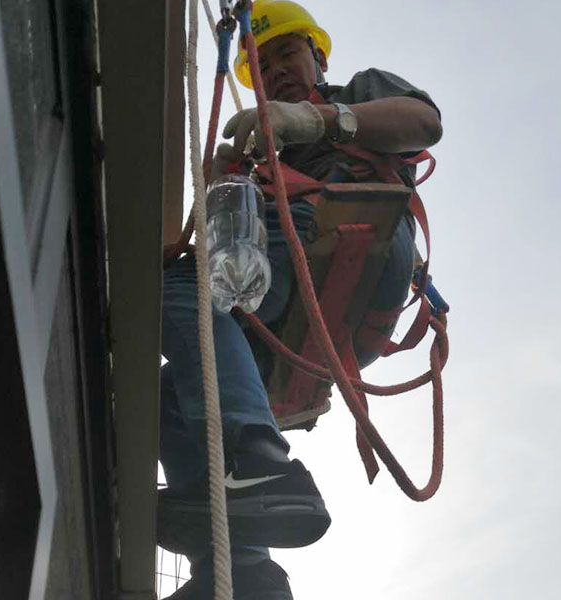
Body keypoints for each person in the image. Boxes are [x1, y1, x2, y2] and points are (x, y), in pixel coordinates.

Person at [158, 1, 442, 597]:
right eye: (260, 62)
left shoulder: (360, 93)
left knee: (185, 288)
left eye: (287, 52)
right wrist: (228, 179)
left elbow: (423, 121)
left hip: (350, 235)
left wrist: (316, 122)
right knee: (171, 394)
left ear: (317, 54)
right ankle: (243, 574)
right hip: (303, 288)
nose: (277, 69)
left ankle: (259, 460)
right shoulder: (269, 154)